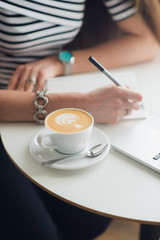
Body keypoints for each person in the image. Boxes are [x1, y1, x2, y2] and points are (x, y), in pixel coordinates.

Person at [0, 0, 160, 239]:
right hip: (12, 110)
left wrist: (60, 62)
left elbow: (146, 42)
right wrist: (76, 103)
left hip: (47, 102)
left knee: (90, 219)